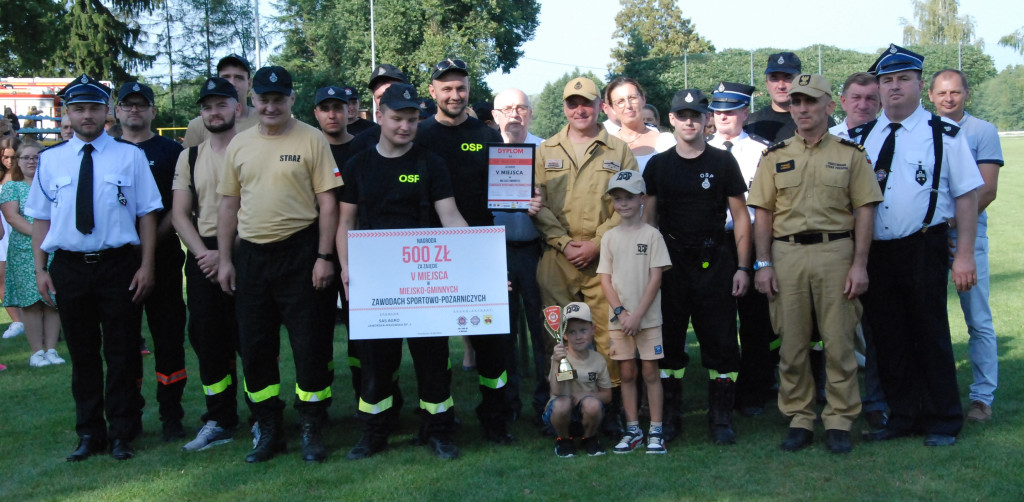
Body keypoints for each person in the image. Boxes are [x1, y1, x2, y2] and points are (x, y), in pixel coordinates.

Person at [27, 74, 162, 461]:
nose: (86, 115)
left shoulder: (130, 156)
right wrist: (41, 269)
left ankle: (122, 432)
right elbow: (40, 219)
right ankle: (89, 433)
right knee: (83, 354)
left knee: (121, 352)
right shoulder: (51, 160)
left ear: (107, 112)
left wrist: (146, 265)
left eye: (94, 108)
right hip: (69, 267)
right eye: (79, 108)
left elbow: (147, 215)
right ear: (67, 112)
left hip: (118, 264)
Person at [854, 44, 982, 447]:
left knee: (930, 333)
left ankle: (943, 418)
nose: (894, 87)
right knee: (888, 336)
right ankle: (903, 415)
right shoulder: (863, 137)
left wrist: (963, 254)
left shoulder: (942, 134)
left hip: (923, 247)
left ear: (919, 85)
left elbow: (966, 196)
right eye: (886, 80)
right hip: (877, 251)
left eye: (902, 79)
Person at [747, 74, 883, 454]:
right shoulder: (774, 156)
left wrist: (860, 265)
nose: (802, 109)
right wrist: (763, 264)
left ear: (829, 106)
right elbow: (763, 213)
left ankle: (839, 419)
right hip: (786, 256)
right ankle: (800, 418)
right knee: (791, 343)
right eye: (796, 102)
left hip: (836, 253)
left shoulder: (850, 155)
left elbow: (865, 211)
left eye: (810, 101)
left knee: (839, 342)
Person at [216, 66, 341, 463]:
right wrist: (225, 259)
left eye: (279, 99)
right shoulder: (239, 144)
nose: (271, 106)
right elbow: (228, 205)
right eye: (264, 99)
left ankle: (310, 424)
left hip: (301, 253)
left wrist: (324, 257)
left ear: (291, 99)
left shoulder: (312, 138)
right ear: (252, 101)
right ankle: (268, 427)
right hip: (251, 256)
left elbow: (328, 203)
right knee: (254, 347)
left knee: (310, 345)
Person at [337, 82, 468, 460]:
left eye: (412, 119)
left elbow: (450, 217)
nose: (405, 127)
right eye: (397, 118)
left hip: (425, 279)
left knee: (432, 360)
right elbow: (345, 222)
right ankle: (374, 432)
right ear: (378, 116)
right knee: (376, 362)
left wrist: (480, 263)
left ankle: (438, 430)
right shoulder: (358, 164)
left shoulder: (430, 163)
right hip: (375, 280)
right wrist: (346, 268)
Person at [529, 76, 639, 437]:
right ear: (564, 107)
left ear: (598, 107)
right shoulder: (546, 150)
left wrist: (595, 242)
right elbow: (536, 202)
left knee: (608, 337)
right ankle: (562, 407)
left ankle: (607, 410)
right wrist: (562, 242)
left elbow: (629, 202)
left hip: (603, 259)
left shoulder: (618, 149)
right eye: (573, 103)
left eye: (587, 103)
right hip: (556, 259)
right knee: (558, 336)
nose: (580, 110)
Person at [642, 89, 750, 445]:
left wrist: (743, 267)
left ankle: (720, 418)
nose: (689, 121)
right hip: (672, 266)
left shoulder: (722, 162)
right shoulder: (659, 164)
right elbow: (649, 218)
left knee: (721, 343)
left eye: (696, 115)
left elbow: (740, 217)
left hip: (716, 262)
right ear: (670, 119)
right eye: (682, 115)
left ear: (706, 119)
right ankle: (670, 415)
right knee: (670, 345)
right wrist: (648, 267)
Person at [416, 57, 513, 444]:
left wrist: (526, 198)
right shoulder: (419, 135)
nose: (454, 95)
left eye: (461, 87)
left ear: (469, 90)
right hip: (429, 255)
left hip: (478, 249)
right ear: (432, 92)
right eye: (447, 88)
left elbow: (507, 187)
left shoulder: (487, 136)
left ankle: (495, 418)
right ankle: (437, 423)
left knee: (490, 343)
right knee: (432, 345)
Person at [171, 77, 246, 452]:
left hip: (246, 249)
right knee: (207, 338)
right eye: (207, 107)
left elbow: (258, 208)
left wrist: (226, 252)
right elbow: (180, 213)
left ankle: (264, 415)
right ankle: (219, 418)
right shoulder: (190, 155)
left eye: (221, 105)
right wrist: (204, 253)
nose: (214, 112)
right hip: (203, 256)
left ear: (237, 107)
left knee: (251, 337)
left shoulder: (254, 149)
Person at [928, 68, 1003, 424]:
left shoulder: (982, 131)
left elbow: (986, 189)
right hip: (926, 239)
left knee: (977, 319)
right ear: (930, 95)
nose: (948, 98)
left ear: (966, 94)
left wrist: (951, 223)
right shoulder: (923, 130)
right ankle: (928, 392)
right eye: (942, 93)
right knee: (925, 317)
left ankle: (982, 397)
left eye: (955, 92)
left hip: (965, 238)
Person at [115, 82, 189, 442]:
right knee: (124, 342)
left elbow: (179, 207)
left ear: (152, 111)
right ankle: (129, 418)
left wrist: (147, 241)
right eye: (127, 105)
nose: (134, 111)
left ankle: (171, 416)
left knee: (169, 337)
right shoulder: (106, 152)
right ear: (117, 111)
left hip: (164, 253)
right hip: (116, 261)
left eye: (141, 105)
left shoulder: (171, 151)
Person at [707, 81, 776, 417]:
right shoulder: (701, 149)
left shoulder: (764, 151)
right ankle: (723, 392)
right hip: (714, 244)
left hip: (750, 237)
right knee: (718, 323)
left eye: (731, 110)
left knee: (754, 323)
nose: (723, 117)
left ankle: (754, 394)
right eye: (718, 111)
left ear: (745, 112)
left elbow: (768, 205)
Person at [829, 72, 889, 431]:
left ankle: (877, 400)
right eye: (857, 98)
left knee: (877, 329)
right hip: (832, 249)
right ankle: (835, 401)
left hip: (878, 247)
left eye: (871, 99)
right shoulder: (827, 137)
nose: (864, 105)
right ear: (842, 101)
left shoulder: (887, 137)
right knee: (834, 331)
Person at [598, 171, 671, 454]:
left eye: (629, 197)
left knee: (650, 372)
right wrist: (621, 312)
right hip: (619, 320)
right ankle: (632, 429)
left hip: (648, 318)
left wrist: (638, 315)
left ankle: (656, 429)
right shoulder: (609, 237)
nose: (623, 203)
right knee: (627, 372)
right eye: (618, 198)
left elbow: (656, 278)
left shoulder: (652, 235)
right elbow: (605, 279)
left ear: (642, 199)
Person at [491, 88, 548, 421]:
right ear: (495, 115)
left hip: (538, 251)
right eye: (506, 108)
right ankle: (508, 405)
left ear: (530, 113)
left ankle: (546, 402)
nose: (514, 114)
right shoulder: (485, 150)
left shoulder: (546, 150)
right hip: (496, 254)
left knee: (544, 331)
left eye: (521, 107)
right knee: (502, 334)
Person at [1, 140, 63, 367]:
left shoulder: (53, 185)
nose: (31, 161)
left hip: (54, 250)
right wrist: (43, 237)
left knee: (53, 300)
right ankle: (37, 352)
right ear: (17, 161)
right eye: (26, 157)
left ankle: (52, 349)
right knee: (31, 303)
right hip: (24, 251)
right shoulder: (12, 187)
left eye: (36, 157)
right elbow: (12, 218)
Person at [542, 302, 612, 458]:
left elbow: (607, 396)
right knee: (562, 403)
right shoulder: (560, 357)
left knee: (592, 404)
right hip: (560, 414)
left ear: (593, 330)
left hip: (587, 412)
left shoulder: (598, 360)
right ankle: (563, 440)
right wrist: (556, 362)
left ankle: (590, 438)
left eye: (583, 330)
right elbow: (556, 391)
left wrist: (584, 395)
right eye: (572, 332)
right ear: (564, 335)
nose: (578, 336)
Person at [183, 54, 258, 148]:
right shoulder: (197, 126)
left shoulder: (263, 120)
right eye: (225, 77)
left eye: (238, 77)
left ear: (249, 83)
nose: (232, 83)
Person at [605, 77, 675, 173]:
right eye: (620, 102)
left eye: (632, 98)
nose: (628, 105)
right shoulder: (606, 146)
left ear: (643, 99)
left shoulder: (666, 141)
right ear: (612, 108)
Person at [348, 64, 410, 151]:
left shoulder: (425, 138)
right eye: (380, 97)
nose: (386, 101)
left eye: (392, 93)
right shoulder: (361, 144)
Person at [0, 136, 25, 339]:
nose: (8, 161)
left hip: (20, 226)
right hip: (2, 225)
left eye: (12, 157)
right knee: (1, 275)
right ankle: (17, 320)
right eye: (4, 156)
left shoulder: (24, 177)